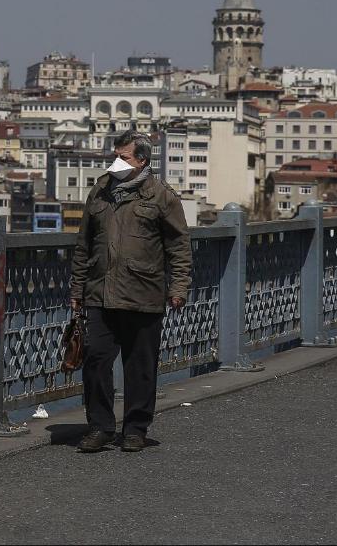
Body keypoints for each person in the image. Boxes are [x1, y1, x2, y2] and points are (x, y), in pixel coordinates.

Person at [68, 130, 192, 453]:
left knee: (140, 366)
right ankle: (100, 427)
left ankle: (135, 428)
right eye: (116, 155)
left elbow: (179, 245)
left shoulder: (161, 195)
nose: (117, 162)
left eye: (123, 157)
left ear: (142, 161)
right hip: (101, 292)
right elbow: (83, 245)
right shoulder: (100, 191)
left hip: (143, 293)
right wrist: (76, 289)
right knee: (95, 359)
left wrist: (178, 287)